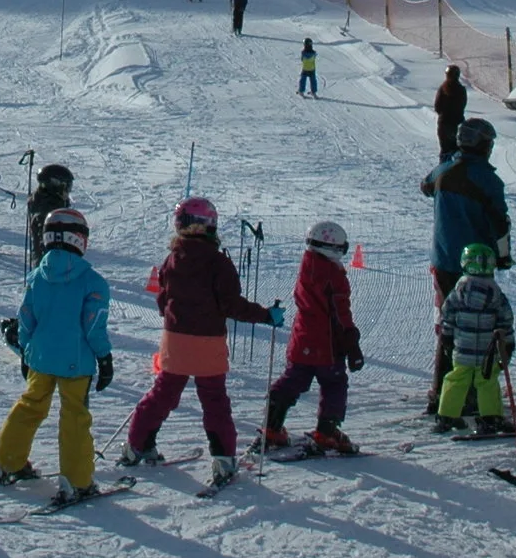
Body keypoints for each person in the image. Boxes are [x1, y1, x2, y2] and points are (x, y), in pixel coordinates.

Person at [122, 197, 280, 487]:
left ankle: (136, 444)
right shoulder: (218, 262)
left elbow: (162, 300)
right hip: (207, 340)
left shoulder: (172, 259)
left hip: (176, 339)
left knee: (163, 393)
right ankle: (222, 459)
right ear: (212, 226)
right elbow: (231, 305)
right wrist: (266, 315)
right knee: (214, 400)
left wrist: (175, 315)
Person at [0, 207, 112, 505]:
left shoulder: (37, 276)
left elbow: (26, 318)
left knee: (30, 405)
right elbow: (93, 325)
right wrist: (104, 358)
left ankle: (7, 462)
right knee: (74, 416)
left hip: (40, 358)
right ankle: (77, 480)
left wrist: (25, 352)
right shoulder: (92, 282)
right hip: (76, 363)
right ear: (78, 239)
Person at [419, 117, 511, 416]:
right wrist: (503, 256)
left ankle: (442, 391)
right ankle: (470, 392)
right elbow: (500, 223)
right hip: (476, 262)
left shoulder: (446, 169)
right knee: (478, 326)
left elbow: (425, 185)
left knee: (449, 323)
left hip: (444, 259)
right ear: (483, 144)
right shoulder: (486, 179)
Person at [259, 220, 360, 455]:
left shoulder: (308, 265)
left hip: (303, 338)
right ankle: (327, 431)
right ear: (332, 248)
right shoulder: (333, 276)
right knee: (334, 383)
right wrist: (351, 340)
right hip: (327, 344)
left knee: (295, 378)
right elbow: (340, 312)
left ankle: (272, 425)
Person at [433, 242, 516, 435]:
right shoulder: (496, 295)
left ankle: (447, 415)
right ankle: (490, 417)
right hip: (487, 352)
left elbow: (447, 316)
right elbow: (505, 321)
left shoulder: (458, 292)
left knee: (456, 379)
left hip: (463, 349)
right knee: (487, 381)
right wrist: (508, 344)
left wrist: (446, 336)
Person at [26, 162, 75, 254]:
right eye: (66, 186)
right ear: (55, 186)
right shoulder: (48, 211)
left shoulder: (51, 202)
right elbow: (46, 242)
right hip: (50, 261)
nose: (68, 191)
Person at [433, 65, 469, 162]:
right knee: (458, 150)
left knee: (445, 150)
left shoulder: (442, 88)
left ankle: (443, 172)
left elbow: (437, 106)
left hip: (444, 123)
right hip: (458, 123)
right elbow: (463, 105)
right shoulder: (461, 89)